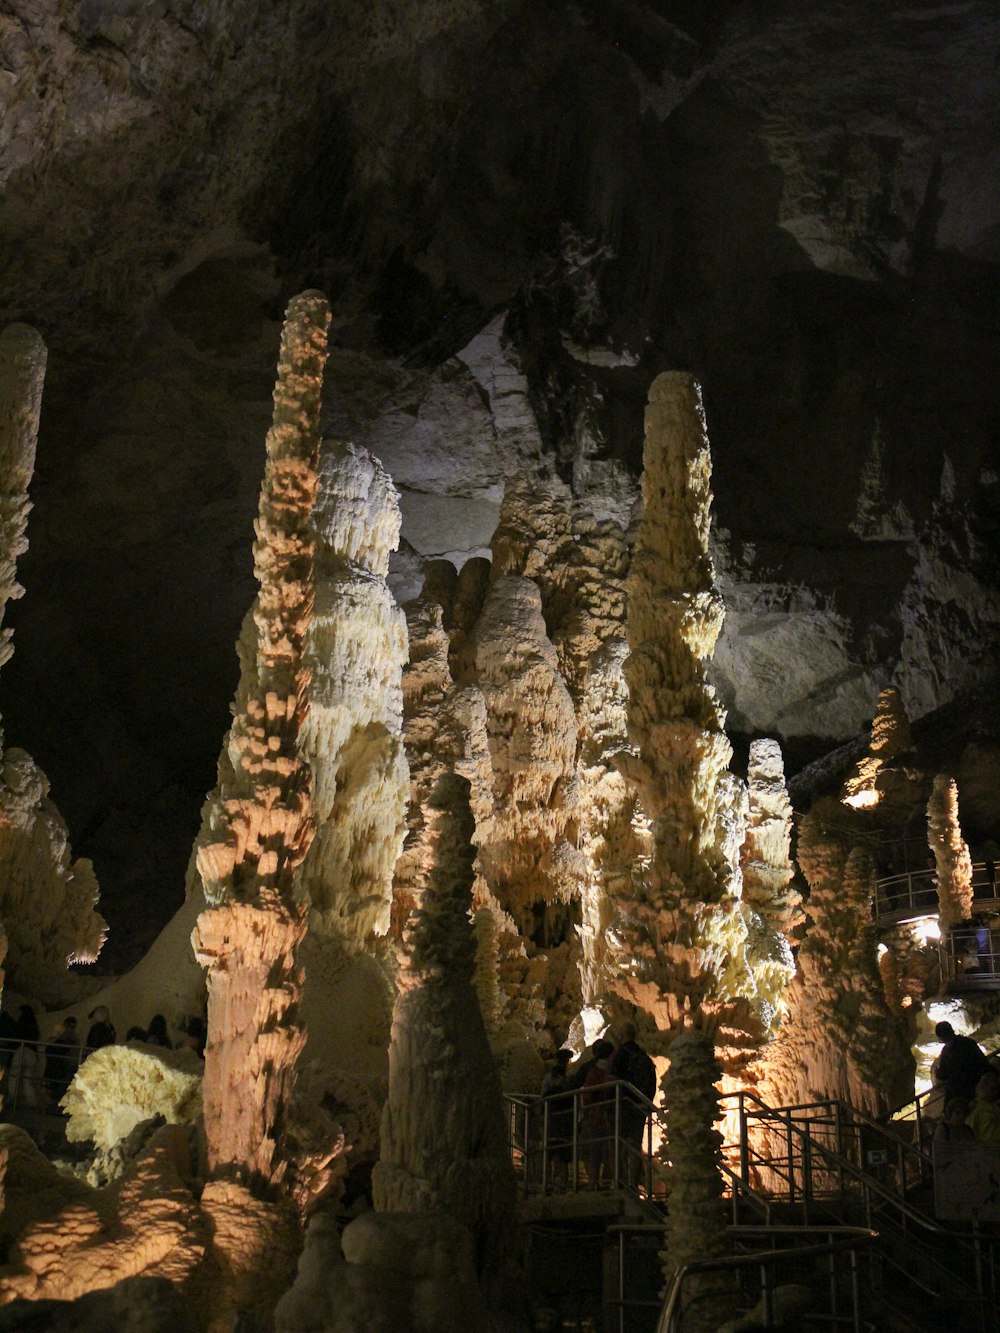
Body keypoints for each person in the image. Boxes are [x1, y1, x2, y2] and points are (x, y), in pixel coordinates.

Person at [608, 1020, 656, 1188]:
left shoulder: (620, 1054)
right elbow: (652, 1081)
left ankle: (620, 1181)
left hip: (624, 1104)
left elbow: (612, 1079)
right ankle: (633, 1182)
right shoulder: (643, 1055)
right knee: (636, 1144)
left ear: (622, 1036)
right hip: (640, 1105)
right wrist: (647, 1102)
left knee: (619, 1141)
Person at [581, 1038, 615, 1187]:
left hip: (595, 1116)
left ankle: (593, 1182)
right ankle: (607, 1182)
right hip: (611, 1116)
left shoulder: (592, 1071)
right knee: (609, 1151)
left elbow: (587, 1094)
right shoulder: (614, 1072)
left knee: (593, 1151)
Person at [539, 1049, 574, 1187]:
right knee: (564, 1155)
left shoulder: (549, 1078)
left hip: (551, 1118)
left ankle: (547, 1183)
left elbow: (543, 1096)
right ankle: (563, 1183)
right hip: (565, 1119)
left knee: (548, 1153)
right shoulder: (569, 1078)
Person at [935, 1021, 991, 1101]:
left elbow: (942, 1073)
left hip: (962, 1089)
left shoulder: (946, 1051)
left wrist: (938, 1073)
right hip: (976, 1082)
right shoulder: (968, 1042)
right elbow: (982, 1061)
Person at [45, 1016, 81, 1104]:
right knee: (65, 1085)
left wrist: (52, 1043)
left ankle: (56, 1106)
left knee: (60, 1086)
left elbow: (60, 1048)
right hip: (73, 1062)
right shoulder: (75, 1036)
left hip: (65, 1063)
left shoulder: (66, 1035)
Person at [967, 1072, 1000, 1145]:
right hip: (987, 1147)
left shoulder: (994, 1106)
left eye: (996, 1090)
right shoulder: (975, 1107)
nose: (995, 1093)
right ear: (983, 1087)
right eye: (992, 1089)